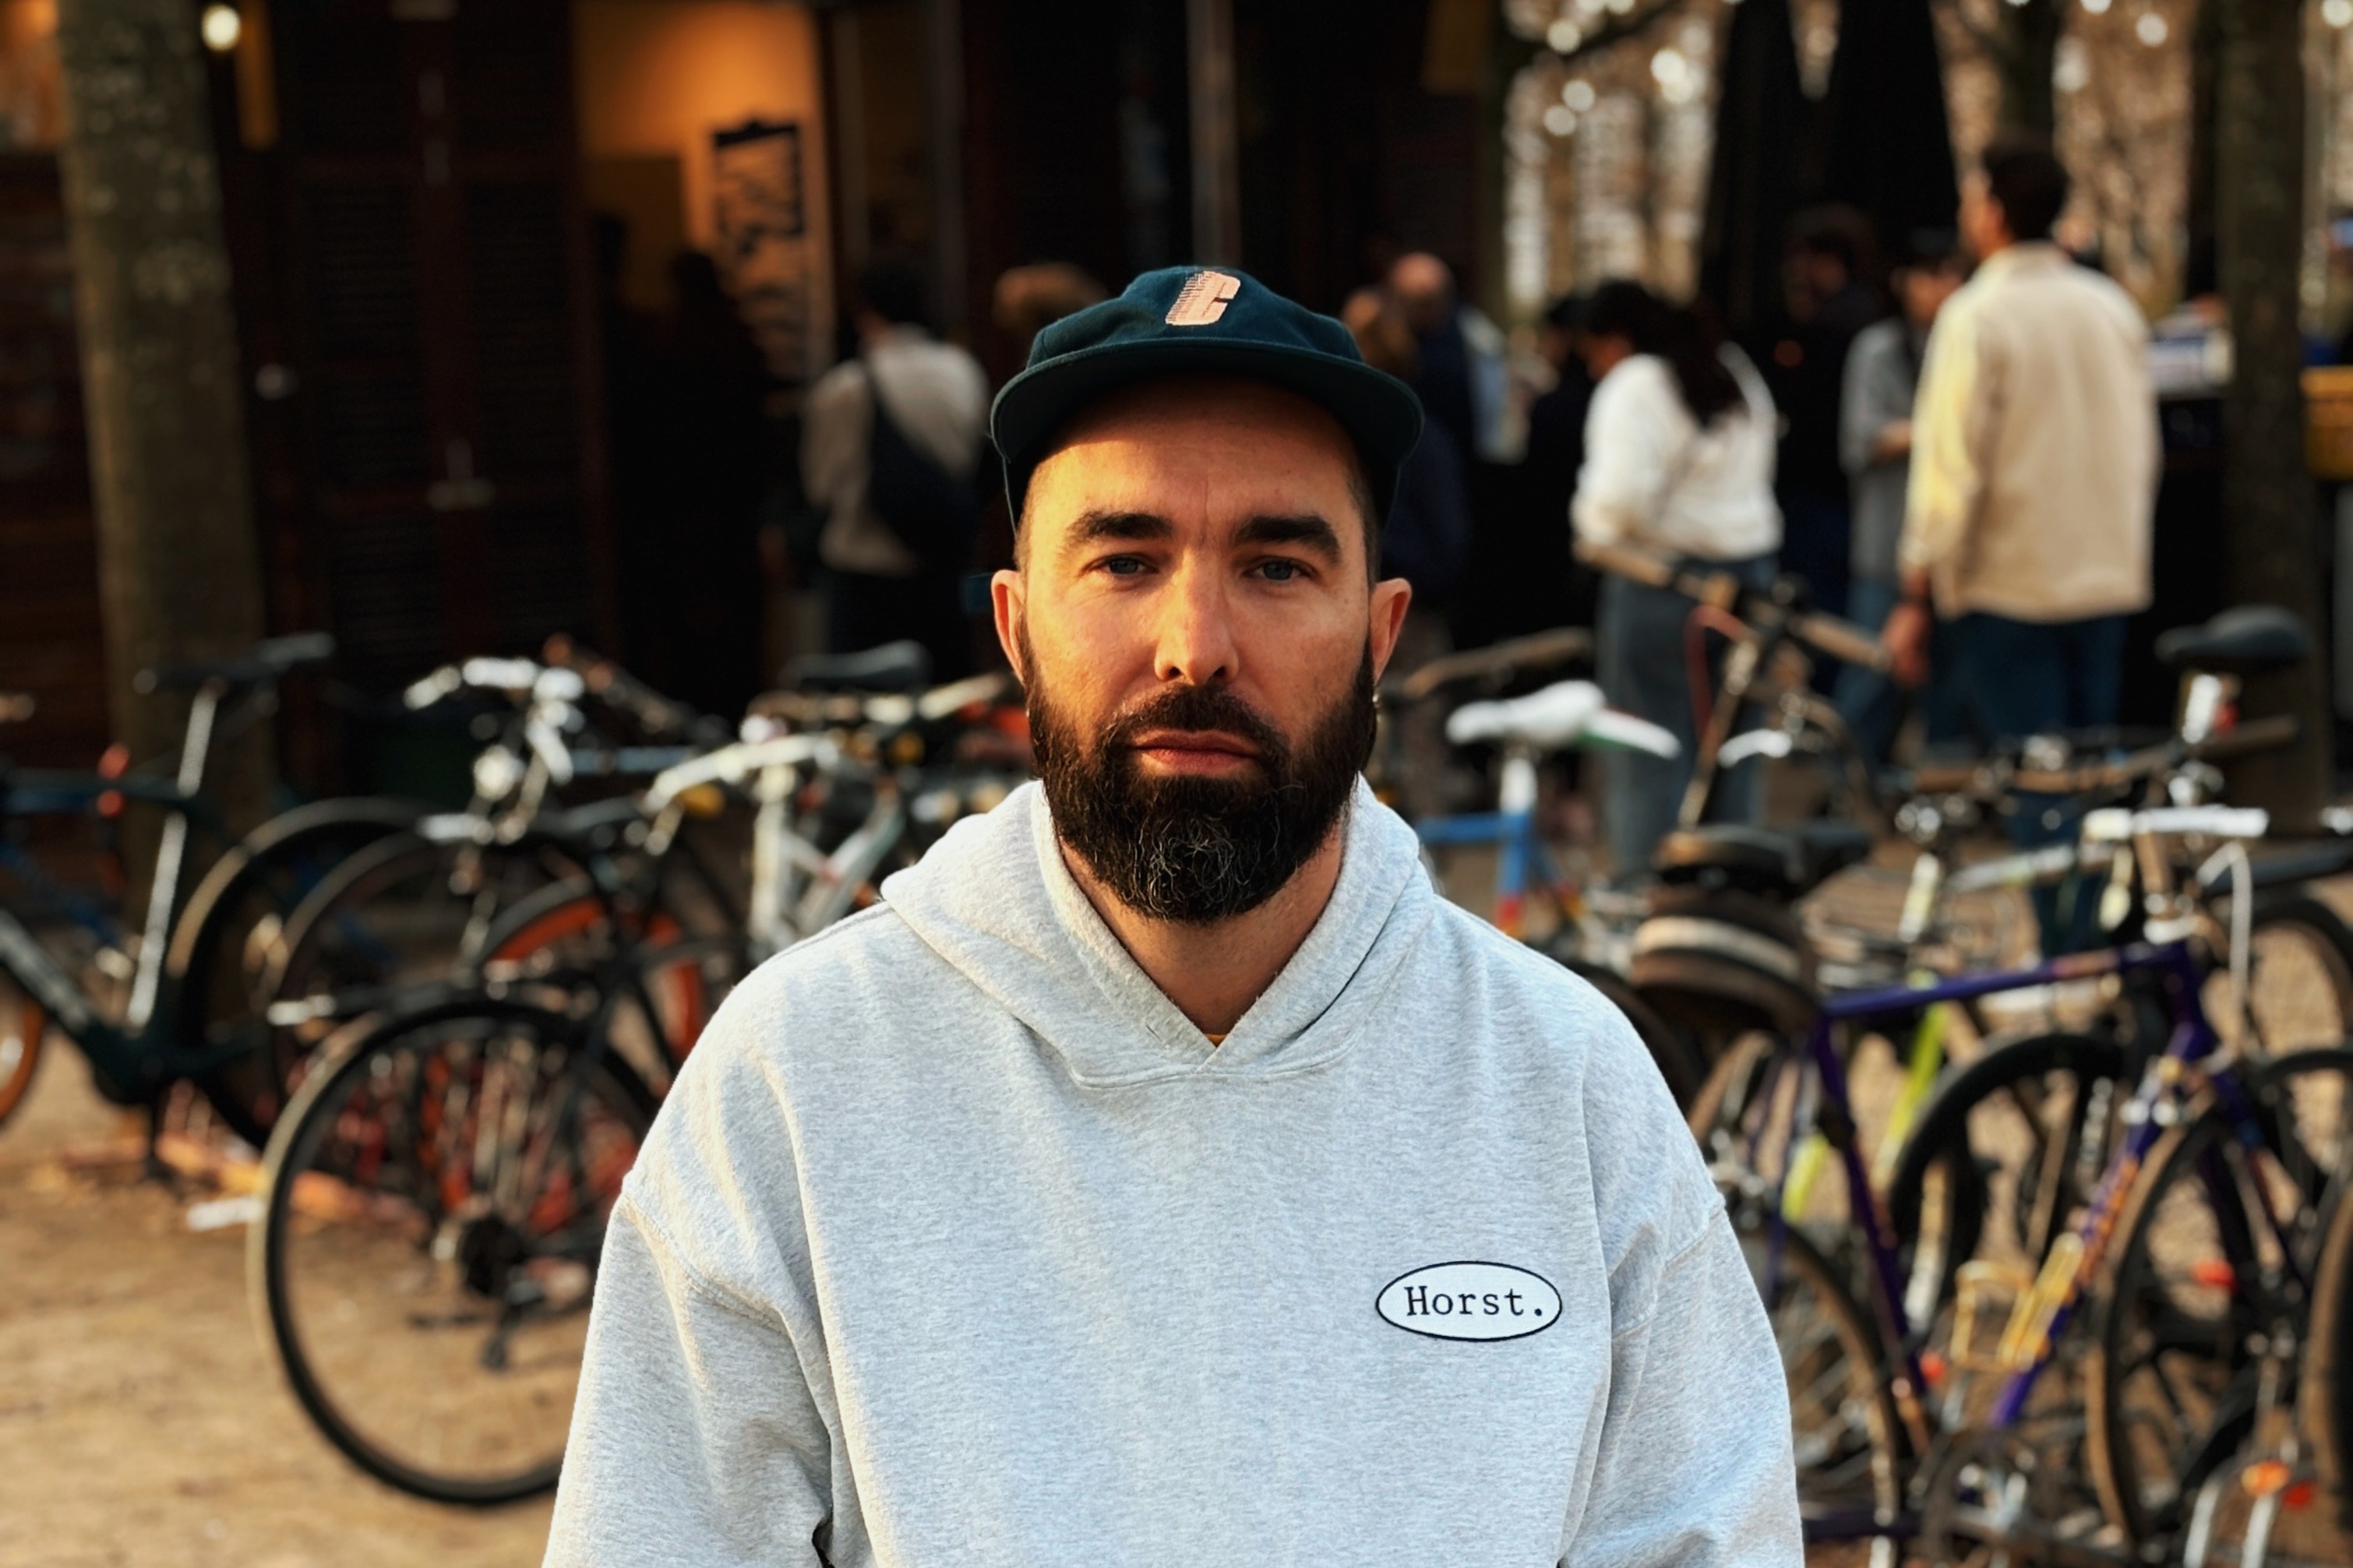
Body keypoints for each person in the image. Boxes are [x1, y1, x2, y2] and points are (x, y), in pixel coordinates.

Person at [546, 266, 1801, 1566]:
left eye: (1275, 564)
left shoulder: (1567, 1084)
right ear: (1016, 629)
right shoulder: (799, 1080)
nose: (1195, 643)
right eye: (1126, 561)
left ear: (1380, 638)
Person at [1882, 138, 2158, 950]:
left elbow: (1950, 471)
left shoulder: (1977, 315)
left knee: (2038, 782)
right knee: (2092, 776)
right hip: (2105, 574)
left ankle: (2067, 952)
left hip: (2011, 581)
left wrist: (1916, 587)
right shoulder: (2109, 306)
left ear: (1993, 213)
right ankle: (2098, 946)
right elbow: (2140, 447)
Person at [1573, 280, 1781, 878]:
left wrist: (1587, 524)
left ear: (1616, 339)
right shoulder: (1735, 369)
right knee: (1736, 753)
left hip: (1662, 586)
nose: (1594, 367)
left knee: (1647, 753)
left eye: (1594, 351)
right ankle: (1733, 895)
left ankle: (1651, 895)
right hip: (1750, 584)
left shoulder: (1635, 384)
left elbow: (1616, 506)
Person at [803, 259, 991, 677]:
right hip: (943, 574)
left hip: (864, 578)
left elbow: (821, 486)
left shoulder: (847, 386)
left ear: (865, 312)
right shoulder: (962, 370)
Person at [1833, 233, 1969, 764]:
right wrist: (1942, 431)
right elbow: (1862, 438)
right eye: (1930, 274)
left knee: (1950, 693)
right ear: (1903, 281)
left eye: (1952, 274)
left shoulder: (1968, 339)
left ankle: (1932, 791)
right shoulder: (1880, 348)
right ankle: (1851, 787)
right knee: (1872, 680)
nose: (1942, 287)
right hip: (1886, 548)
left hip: (1954, 553)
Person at [1768, 208, 1882, 624]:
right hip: (1856, 495)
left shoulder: (1827, 327)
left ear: (1827, 260)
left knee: (1818, 609)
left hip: (1818, 493)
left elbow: (1802, 411)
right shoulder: (1875, 317)